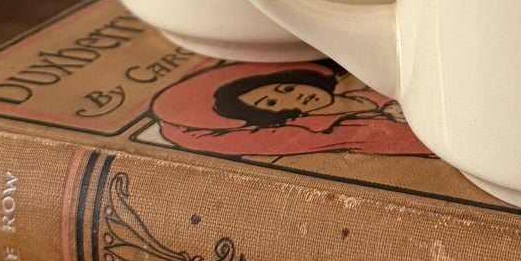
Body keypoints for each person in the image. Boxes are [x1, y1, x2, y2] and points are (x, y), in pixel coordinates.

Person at [148, 60, 428, 158]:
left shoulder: (362, 80)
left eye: (286, 88)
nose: (293, 97)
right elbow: (182, 133)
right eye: (271, 104)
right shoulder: (325, 132)